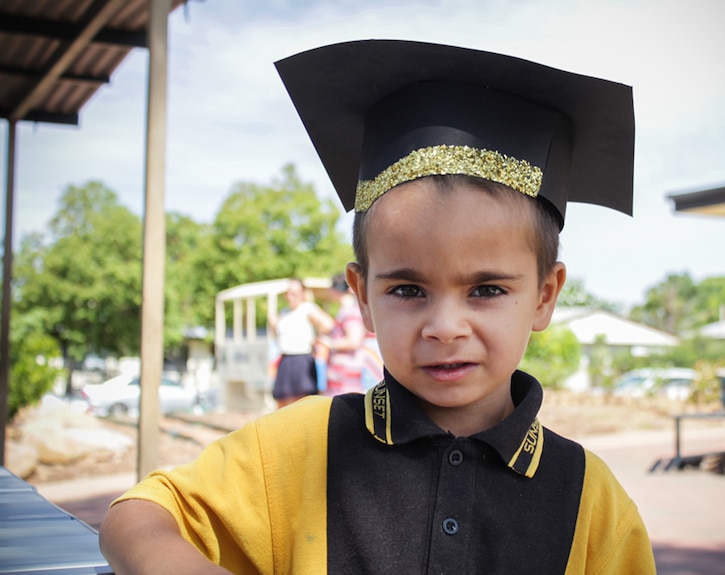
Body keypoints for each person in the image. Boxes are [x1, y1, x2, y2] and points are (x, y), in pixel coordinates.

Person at [99, 40, 656, 574]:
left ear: (544, 295)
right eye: (408, 290)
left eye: (486, 289)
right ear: (362, 296)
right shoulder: (298, 450)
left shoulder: (593, 504)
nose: (444, 328)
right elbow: (137, 516)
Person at [267, 279, 334, 408]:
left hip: (302, 359)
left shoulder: (308, 308)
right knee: (282, 401)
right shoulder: (284, 313)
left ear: (302, 293)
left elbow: (328, 324)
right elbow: (278, 339)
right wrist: (274, 325)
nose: (291, 297)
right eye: (289, 293)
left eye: (295, 293)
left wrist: (317, 338)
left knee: (303, 401)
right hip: (286, 359)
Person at [317, 274, 367, 395]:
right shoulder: (347, 310)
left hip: (346, 377)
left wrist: (329, 343)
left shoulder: (349, 311)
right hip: (341, 376)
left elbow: (354, 341)